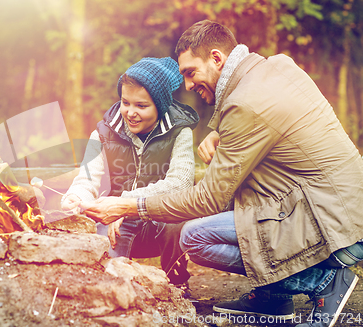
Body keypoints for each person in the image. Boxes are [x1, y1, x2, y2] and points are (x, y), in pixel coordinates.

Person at [81, 20, 363, 327]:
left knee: (195, 236)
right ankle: (273, 299)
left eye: (190, 72)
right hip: (348, 207)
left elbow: (208, 199)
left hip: (334, 228)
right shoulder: (279, 67)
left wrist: (127, 206)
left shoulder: (245, 106)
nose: (187, 84)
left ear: (217, 59)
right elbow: (263, 113)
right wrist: (219, 130)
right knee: (241, 194)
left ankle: (321, 282)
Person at [61, 57, 199, 285]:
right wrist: (76, 197)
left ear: (160, 105)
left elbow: (181, 183)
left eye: (141, 106)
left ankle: (176, 284)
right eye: (126, 102)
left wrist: (125, 203)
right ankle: (113, 286)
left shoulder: (179, 132)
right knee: (111, 280)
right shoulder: (102, 133)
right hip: (116, 227)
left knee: (177, 219)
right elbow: (87, 179)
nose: (130, 112)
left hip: (157, 227)